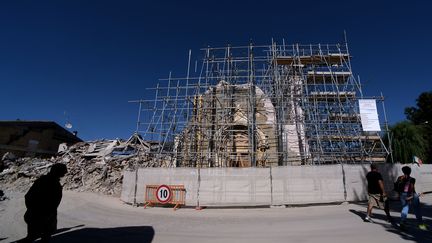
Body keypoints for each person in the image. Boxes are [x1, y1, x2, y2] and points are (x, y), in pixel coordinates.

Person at [19, 163, 68, 242]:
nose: (64, 174)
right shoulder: (51, 183)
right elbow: (29, 197)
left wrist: (31, 210)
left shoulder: (43, 180)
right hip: (43, 217)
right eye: (63, 172)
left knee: (33, 237)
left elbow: (28, 196)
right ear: (58, 172)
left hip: (38, 215)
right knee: (40, 237)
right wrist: (37, 211)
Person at [396, 166, 428, 230]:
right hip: (411, 195)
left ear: (403, 171)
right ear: (410, 172)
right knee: (417, 209)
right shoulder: (412, 179)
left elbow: (397, 188)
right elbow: (412, 189)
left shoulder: (399, 178)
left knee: (405, 208)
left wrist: (398, 195)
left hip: (402, 195)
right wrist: (411, 197)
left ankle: (402, 222)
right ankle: (420, 224)